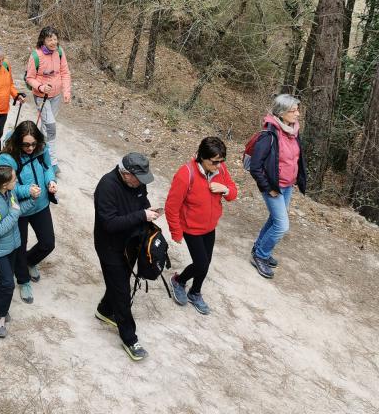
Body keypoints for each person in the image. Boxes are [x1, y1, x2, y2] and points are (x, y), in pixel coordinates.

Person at [93, 152, 161, 362]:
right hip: (110, 246)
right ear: (126, 173)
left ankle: (105, 310)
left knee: (120, 281)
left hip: (131, 242)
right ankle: (130, 338)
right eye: (138, 179)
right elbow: (109, 224)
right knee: (122, 291)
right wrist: (142, 215)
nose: (141, 183)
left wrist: (148, 210)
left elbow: (142, 200)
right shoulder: (107, 186)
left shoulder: (136, 184)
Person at [165, 136, 237, 315]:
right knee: (202, 264)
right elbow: (171, 207)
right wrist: (176, 232)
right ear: (202, 157)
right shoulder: (185, 174)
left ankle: (195, 292)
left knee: (205, 263)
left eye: (221, 161)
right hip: (191, 228)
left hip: (210, 227)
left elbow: (232, 193)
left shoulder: (221, 170)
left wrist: (225, 189)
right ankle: (179, 281)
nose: (219, 166)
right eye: (214, 162)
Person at [0, 121, 57, 305]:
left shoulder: (41, 148)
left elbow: (47, 168)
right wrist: (26, 190)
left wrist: (50, 182)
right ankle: (23, 281)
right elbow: (3, 187)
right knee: (19, 248)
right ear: (17, 141)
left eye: (33, 143)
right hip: (19, 209)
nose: (30, 148)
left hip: (41, 204)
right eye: (26, 144)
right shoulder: (7, 158)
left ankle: (30, 262)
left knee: (48, 243)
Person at [249, 94, 307, 279]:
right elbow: (255, 167)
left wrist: (297, 178)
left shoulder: (293, 132)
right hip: (274, 187)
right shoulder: (269, 135)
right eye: (293, 110)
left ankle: (259, 247)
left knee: (275, 219)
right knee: (282, 225)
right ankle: (260, 255)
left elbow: (295, 159)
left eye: (298, 109)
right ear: (281, 113)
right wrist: (269, 188)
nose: (297, 114)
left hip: (287, 186)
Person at [0, 164, 37, 338]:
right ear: (4, 184)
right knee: (9, 282)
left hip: (12, 245)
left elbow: (17, 210)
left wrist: (32, 200)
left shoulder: (8, 193)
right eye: (13, 178)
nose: (16, 180)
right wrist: (13, 214)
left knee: (6, 277)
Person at [25, 26, 72, 174]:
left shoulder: (59, 51)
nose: (53, 42)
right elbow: (29, 78)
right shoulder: (36, 56)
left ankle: (37, 149)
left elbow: (65, 72)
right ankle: (52, 161)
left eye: (55, 39)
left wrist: (66, 91)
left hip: (56, 95)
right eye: (50, 39)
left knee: (47, 127)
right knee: (51, 127)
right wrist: (40, 87)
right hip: (42, 97)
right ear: (43, 40)